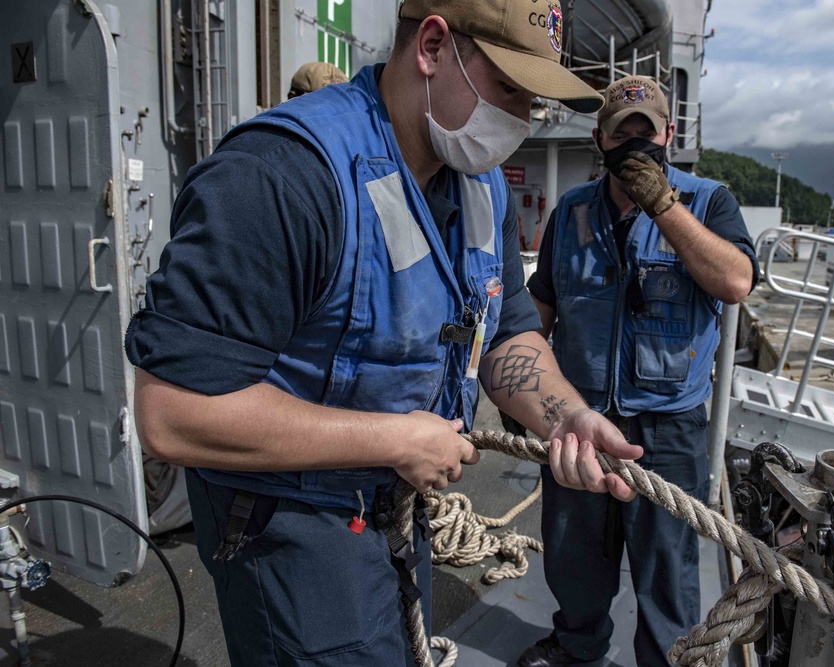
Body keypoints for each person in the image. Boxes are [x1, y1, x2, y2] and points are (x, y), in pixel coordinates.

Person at [125, 0, 646, 664]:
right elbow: (173, 411)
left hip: (398, 504)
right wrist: (395, 439)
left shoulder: (480, 184)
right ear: (431, 46)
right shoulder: (281, 177)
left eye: (535, 103)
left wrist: (565, 413)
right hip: (293, 529)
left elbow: (508, 331)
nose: (521, 119)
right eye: (510, 89)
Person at [517, 75, 759, 666]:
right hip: (580, 415)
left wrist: (663, 206)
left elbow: (734, 281)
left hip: (668, 429)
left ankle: (666, 659)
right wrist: (522, 386)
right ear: (599, 139)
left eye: (644, 132)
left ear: (667, 136)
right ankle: (578, 647)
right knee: (573, 555)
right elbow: (541, 302)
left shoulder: (708, 202)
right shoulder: (573, 210)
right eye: (620, 133)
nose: (633, 143)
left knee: (667, 570)